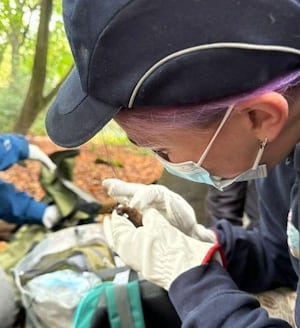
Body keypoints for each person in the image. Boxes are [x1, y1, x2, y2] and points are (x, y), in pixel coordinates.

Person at [46, 0, 300, 326]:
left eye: (163, 150)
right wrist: (205, 243)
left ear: (259, 116)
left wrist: (191, 281)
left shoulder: (270, 144)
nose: (167, 165)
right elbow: (283, 255)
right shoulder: (279, 147)